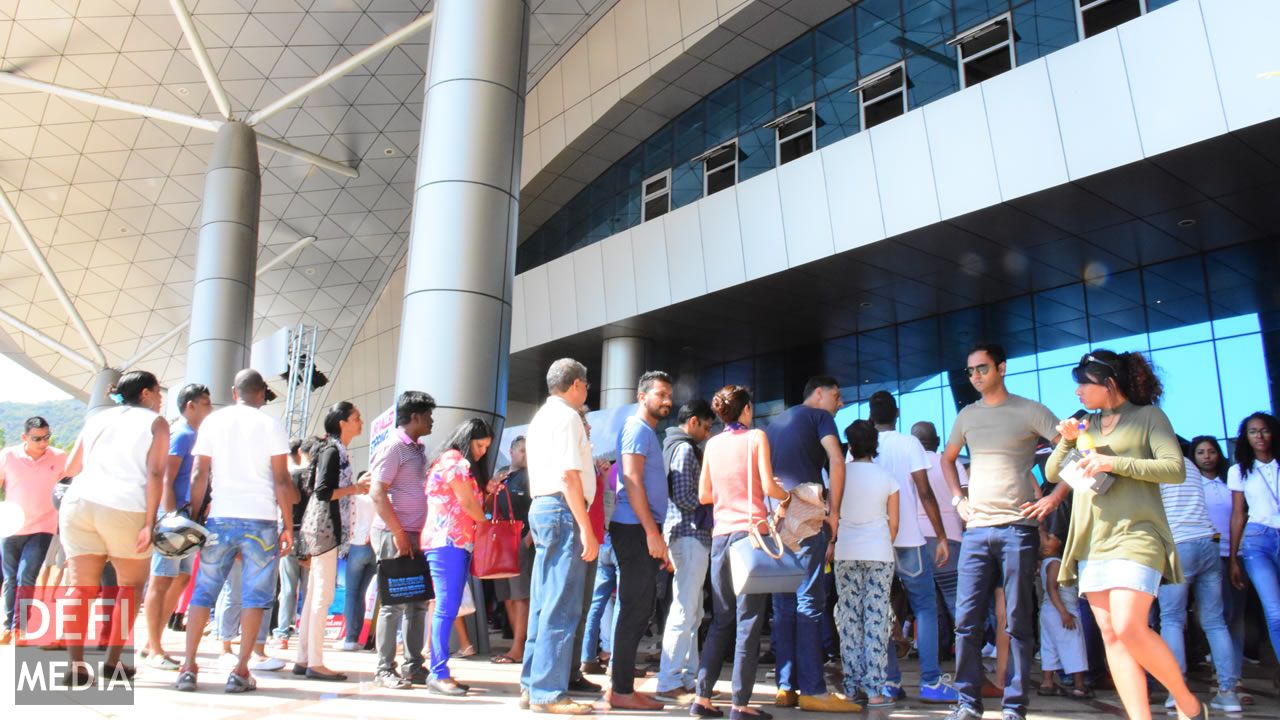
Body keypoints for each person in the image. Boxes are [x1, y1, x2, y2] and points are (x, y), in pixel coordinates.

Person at [1045, 349, 1203, 720]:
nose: (1078, 392)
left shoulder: (1149, 417)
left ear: (1109, 383)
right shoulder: (1086, 423)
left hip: (1138, 535)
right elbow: (1053, 474)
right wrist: (1068, 440)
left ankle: (1188, 702)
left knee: (1130, 627)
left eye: (1084, 384)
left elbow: (1173, 467)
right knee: (1111, 635)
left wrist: (1112, 462)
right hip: (1093, 541)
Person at [939, 343, 1060, 720]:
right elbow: (947, 459)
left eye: (982, 369)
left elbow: (1072, 449)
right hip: (975, 530)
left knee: (1019, 622)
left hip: (1017, 530)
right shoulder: (967, 416)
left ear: (1001, 368)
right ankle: (968, 703)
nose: (975, 376)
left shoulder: (1030, 410)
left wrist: (1054, 499)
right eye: (970, 371)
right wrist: (958, 500)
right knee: (966, 622)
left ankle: (1014, 706)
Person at [178, 369, 297, 694]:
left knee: (204, 591)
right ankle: (241, 670)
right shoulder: (271, 425)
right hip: (260, 521)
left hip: (220, 517)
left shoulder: (213, 423)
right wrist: (287, 525)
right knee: (255, 597)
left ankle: (188, 667)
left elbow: (200, 472)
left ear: (234, 392)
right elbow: (282, 480)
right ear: (261, 394)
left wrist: (194, 514)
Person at [58, 370, 167, 683]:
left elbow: (70, 467)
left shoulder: (98, 418)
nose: (160, 399)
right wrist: (150, 522)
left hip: (79, 503)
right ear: (145, 393)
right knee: (130, 588)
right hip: (125, 507)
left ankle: (76, 666)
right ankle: (112, 662)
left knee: (80, 587)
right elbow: (156, 474)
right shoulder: (154, 423)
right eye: (158, 392)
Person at [691, 385, 790, 719]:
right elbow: (768, 487)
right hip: (751, 536)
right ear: (746, 409)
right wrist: (787, 496)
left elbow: (704, 494)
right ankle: (740, 704)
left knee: (721, 619)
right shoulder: (756, 437)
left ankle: (701, 698)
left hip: (720, 536)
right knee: (749, 621)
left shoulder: (713, 444)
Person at [763, 375, 857, 712]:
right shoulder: (820, 417)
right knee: (809, 602)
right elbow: (836, 459)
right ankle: (814, 690)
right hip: (807, 516)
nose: (840, 403)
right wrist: (835, 513)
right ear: (818, 393)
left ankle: (785, 687)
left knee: (784, 605)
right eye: (837, 395)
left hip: (776, 520)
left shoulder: (774, 424)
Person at [520, 358, 599, 715]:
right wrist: (586, 528)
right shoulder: (567, 417)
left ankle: (532, 685)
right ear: (576, 384)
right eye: (586, 384)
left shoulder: (541, 417)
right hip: (563, 510)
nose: (587, 391)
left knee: (543, 600)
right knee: (561, 604)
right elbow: (570, 476)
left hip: (544, 508)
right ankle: (548, 692)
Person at [865, 391, 955, 703]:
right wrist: (941, 536)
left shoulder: (859, 448)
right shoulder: (909, 444)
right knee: (925, 609)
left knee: (880, 610)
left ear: (870, 416)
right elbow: (924, 491)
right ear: (897, 413)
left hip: (874, 543)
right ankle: (930, 681)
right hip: (909, 541)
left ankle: (890, 680)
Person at [1156, 438, 1242, 712]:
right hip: (1208, 542)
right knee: (1215, 622)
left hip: (1178, 545)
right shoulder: (1190, 466)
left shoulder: (1156, 466)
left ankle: (1177, 692)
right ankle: (1228, 694)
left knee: (1171, 619)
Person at [607, 370, 675, 711]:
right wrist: (651, 532)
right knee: (635, 608)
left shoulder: (647, 432)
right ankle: (621, 690)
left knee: (638, 607)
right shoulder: (636, 429)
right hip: (634, 529)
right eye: (661, 394)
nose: (667, 400)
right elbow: (631, 481)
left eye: (668, 395)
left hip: (641, 528)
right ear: (642, 396)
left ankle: (620, 687)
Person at [420, 417, 493, 695]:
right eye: (479, 444)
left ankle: (440, 670)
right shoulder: (455, 462)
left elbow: (466, 502)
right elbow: (465, 502)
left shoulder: (453, 462)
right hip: (448, 541)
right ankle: (438, 672)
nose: (483, 451)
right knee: (446, 607)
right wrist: (485, 522)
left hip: (452, 542)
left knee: (446, 607)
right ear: (467, 439)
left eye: (486, 446)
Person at [294, 401, 367, 680]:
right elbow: (324, 491)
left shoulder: (333, 449)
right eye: (356, 417)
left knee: (315, 593)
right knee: (321, 595)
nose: (360, 421)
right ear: (342, 423)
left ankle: (305, 657)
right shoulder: (333, 450)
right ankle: (315, 661)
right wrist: (356, 488)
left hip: (321, 529)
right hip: (325, 530)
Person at [369, 390, 436, 689]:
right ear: (416, 417)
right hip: (395, 535)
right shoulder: (394, 446)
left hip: (415, 535)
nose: (432, 420)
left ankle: (413, 667)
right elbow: (377, 492)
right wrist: (398, 533)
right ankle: (384, 669)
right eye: (429, 415)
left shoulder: (418, 449)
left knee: (418, 603)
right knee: (393, 604)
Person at [142, 384, 212, 668]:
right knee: (161, 580)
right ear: (190, 406)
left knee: (180, 578)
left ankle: (153, 640)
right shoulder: (181, 435)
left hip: (187, 521)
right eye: (205, 403)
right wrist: (170, 517)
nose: (210, 408)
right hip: (173, 519)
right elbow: (166, 477)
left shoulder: (197, 436)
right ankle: (154, 647)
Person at [833, 419, 899, 709]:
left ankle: (851, 687)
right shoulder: (888, 478)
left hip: (845, 550)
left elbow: (831, 514)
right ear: (875, 444)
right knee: (876, 618)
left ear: (850, 445)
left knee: (848, 618)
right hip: (879, 553)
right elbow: (894, 524)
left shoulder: (839, 475)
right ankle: (875, 691)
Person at [656, 399, 715, 703]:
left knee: (692, 609)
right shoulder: (684, 449)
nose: (707, 432)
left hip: (687, 535)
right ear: (693, 422)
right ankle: (669, 679)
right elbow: (683, 495)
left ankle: (688, 678)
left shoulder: (675, 446)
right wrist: (710, 502)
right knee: (685, 609)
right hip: (689, 534)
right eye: (705, 426)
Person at [1194, 434, 1252, 704]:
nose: (1207, 456)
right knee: (1219, 615)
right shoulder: (1194, 485)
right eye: (1201, 452)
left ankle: (1235, 677)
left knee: (1236, 618)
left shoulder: (1231, 482)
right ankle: (1222, 676)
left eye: (1211, 451)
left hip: (1236, 553)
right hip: (1210, 554)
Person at [0, 416, 67, 644]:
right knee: (10, 579)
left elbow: (67, 488)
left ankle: (21, 629)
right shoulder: (8, 456)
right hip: (11, 525)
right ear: (24, 437)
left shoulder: (59, 458)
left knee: (26, 576)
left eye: (46, 437)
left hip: (43, 527)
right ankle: (7, 627)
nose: (43, 442)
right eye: (37, 438)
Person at [1228, 412, 1280, 678]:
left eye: (1264, 430)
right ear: (1245, 437)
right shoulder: (1238, 471)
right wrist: (1235, 557)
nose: (1259, 436)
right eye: (1253, 432)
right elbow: (1238, 514)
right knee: (1275, 613)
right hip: (1258, 541)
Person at [910, 420, 968, 624]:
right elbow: (965, 498)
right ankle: (965, 648)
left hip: (916, 541)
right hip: (951, 537)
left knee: (926, 602)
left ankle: (938, 649)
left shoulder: (908, 466)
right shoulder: (951, 463)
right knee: (955, 599)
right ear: (937, 441)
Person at [492, 435, 532, 664]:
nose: (526, 455)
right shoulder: (503, 476)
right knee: (506, 595)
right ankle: (516, 646)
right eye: (523, 451)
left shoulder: (531, 476)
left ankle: (519, 646)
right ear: (512, 451)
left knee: (520, 595)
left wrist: (528, 539)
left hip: (519, 540)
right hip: (500, 541)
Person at [1036, 530, 1089, 699]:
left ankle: (1047, 682)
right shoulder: (1056, 563)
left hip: (1047, 612)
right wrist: (1064, 613)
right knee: (1074, 645)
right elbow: (1053, 589)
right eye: (1049, 538)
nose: (1053, 535)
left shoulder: (1045, 563)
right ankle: (1079, 686)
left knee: (1049, 646)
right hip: (1062, 610)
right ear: (1046, 550)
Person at [272, 438, 314, 647]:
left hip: (293, 530)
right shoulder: (314, 475)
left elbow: (290, 501)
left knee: (288, 587)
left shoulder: (292, 475)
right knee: (308, 588)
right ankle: (306, 632)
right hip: (312, 535)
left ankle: (282, 634)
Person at [343, 482, 377, 651]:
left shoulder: (354, 498)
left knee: (351, 593)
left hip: (357, 545)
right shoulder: (378, 497)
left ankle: (351, 638)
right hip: (374, 547)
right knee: (362, 593)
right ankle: (357, 638)